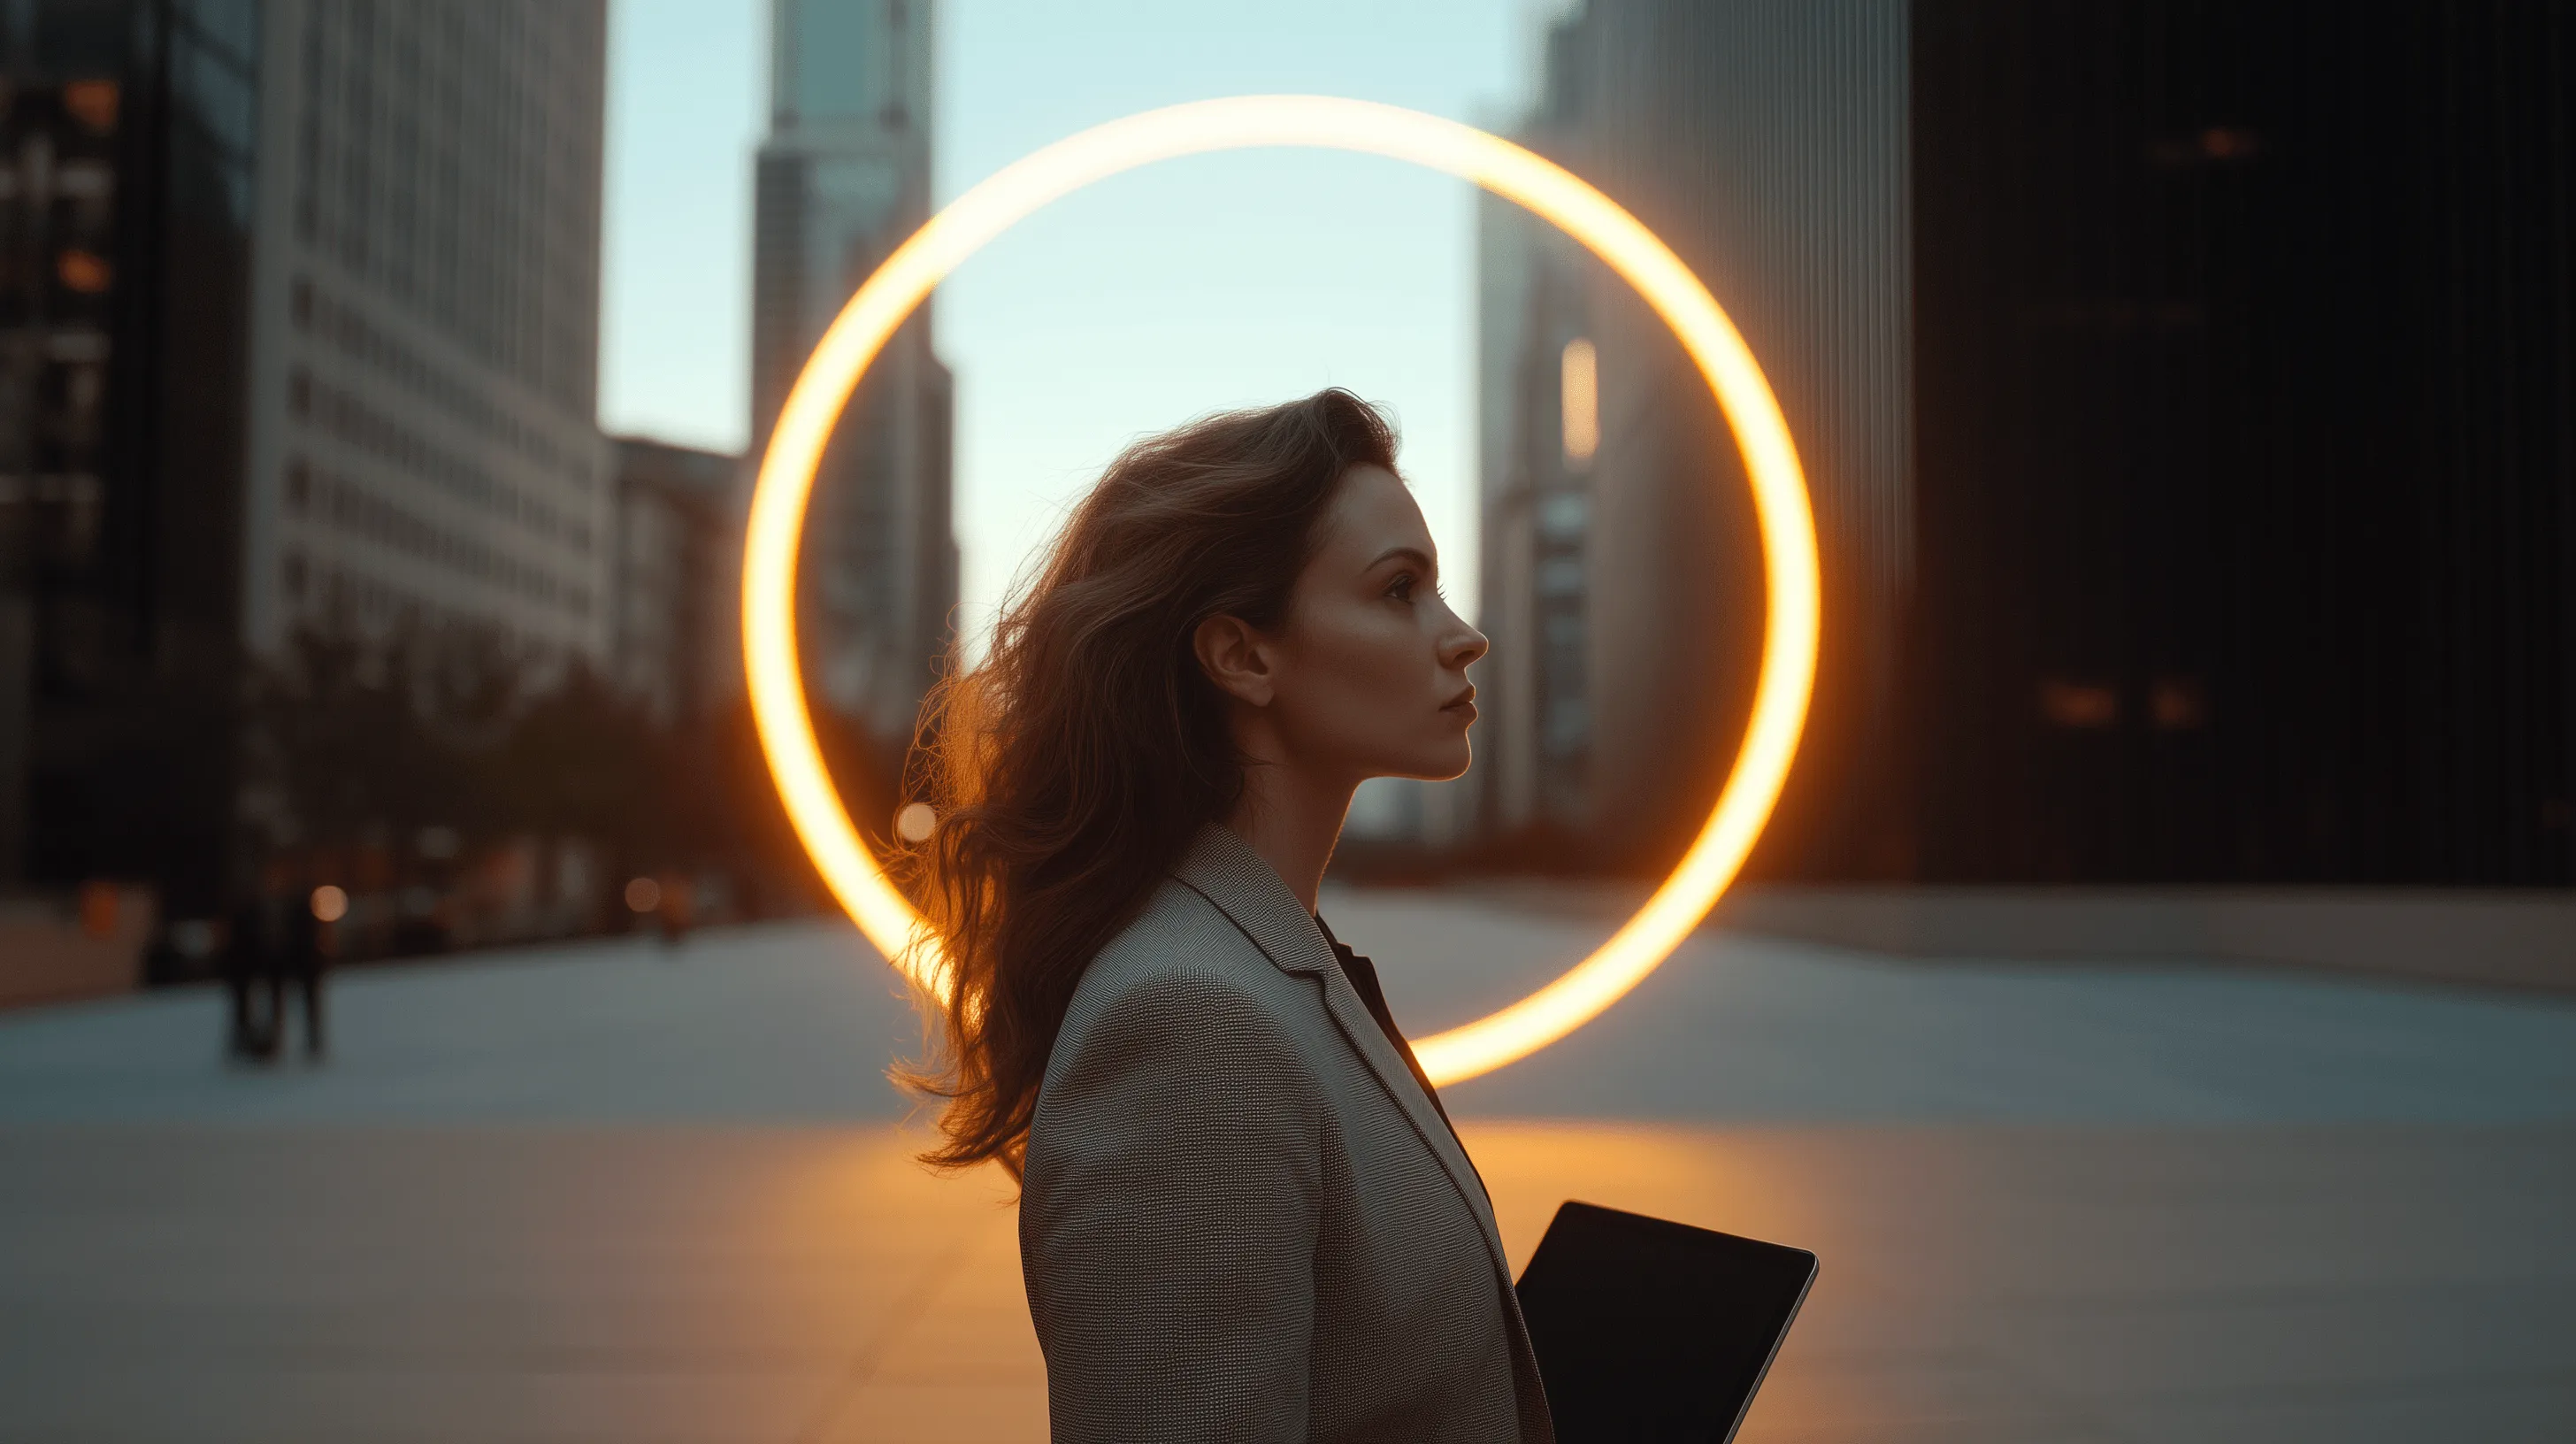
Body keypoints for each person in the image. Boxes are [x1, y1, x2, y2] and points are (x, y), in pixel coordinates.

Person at [894, 389, 1550, 1441]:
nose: (1462, 637)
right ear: (1241, 656)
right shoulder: (1194, 1025)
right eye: (1399, 591)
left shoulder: (1268, 961)